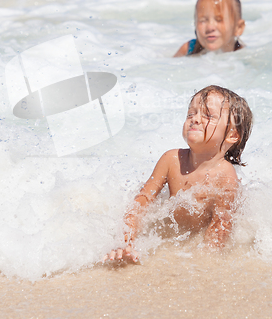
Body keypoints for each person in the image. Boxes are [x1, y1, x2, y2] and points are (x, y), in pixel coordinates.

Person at [104, 85, 253, 262]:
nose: (195, 119)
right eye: (191, 113)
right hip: (173, 236)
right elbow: (142, 201)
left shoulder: (225, 175)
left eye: (208, 115)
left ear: (232, 135)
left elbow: (221, 225)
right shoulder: (171, 160)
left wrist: (204, 261)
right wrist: (125, 241)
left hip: (197, 241)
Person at [174, 0, 245, 57]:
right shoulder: (188, 49)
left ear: (238, 28)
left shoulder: (243, 55)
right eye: (203, 20)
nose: (210, 27)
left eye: (219, 20)